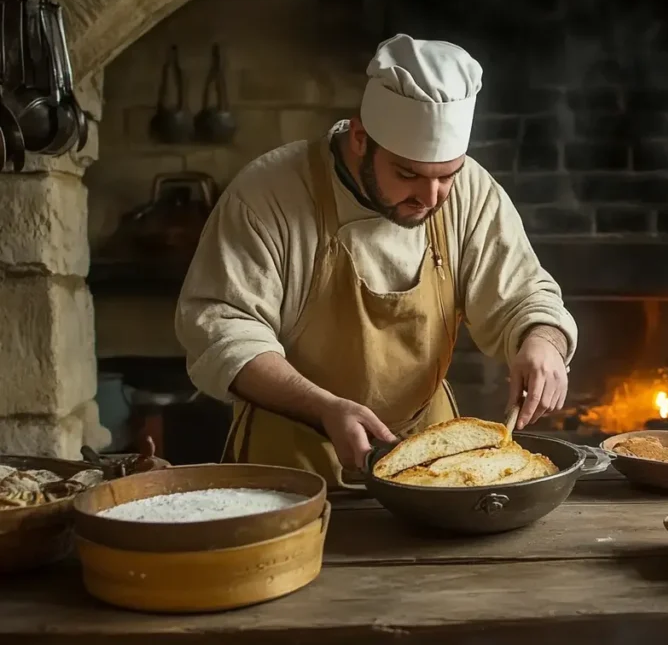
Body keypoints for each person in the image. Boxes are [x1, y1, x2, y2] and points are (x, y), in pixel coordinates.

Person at [174, 34, 578, 484]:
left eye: (447, 175)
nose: (430, 198)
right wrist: (324, 408)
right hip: (290, 458)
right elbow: (221, 327)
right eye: (408, 174)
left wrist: (543, 342)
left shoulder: (470, 193)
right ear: (362, 138)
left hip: (431, 465)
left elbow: (525, 295)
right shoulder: (270, 193)